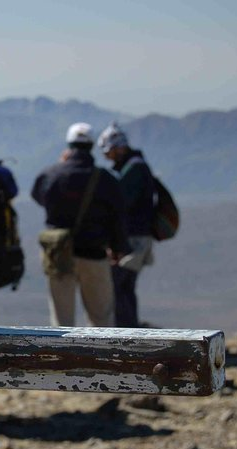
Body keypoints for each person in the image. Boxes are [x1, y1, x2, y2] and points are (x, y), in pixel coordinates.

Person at [32, 122, 130, 327]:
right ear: (92, 145)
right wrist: (119, 247)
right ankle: (99, 358)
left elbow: (38, 195)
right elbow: (117, 216)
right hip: (94, 254)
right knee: (101, 318)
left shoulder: (51, 174)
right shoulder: (105, 180)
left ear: (69, 144)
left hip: (58, 255)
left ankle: (63, 357)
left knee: (61, 321)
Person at [98, 122, 155, 328]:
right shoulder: (134, 167)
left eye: (109, 151)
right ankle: (128, 328)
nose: (107, 156)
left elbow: (122, 204)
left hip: (134, 238)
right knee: (124, 286)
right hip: (136, 236)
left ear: (119, 148)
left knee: (118, 285)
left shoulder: (134, 170)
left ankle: (126, 332)